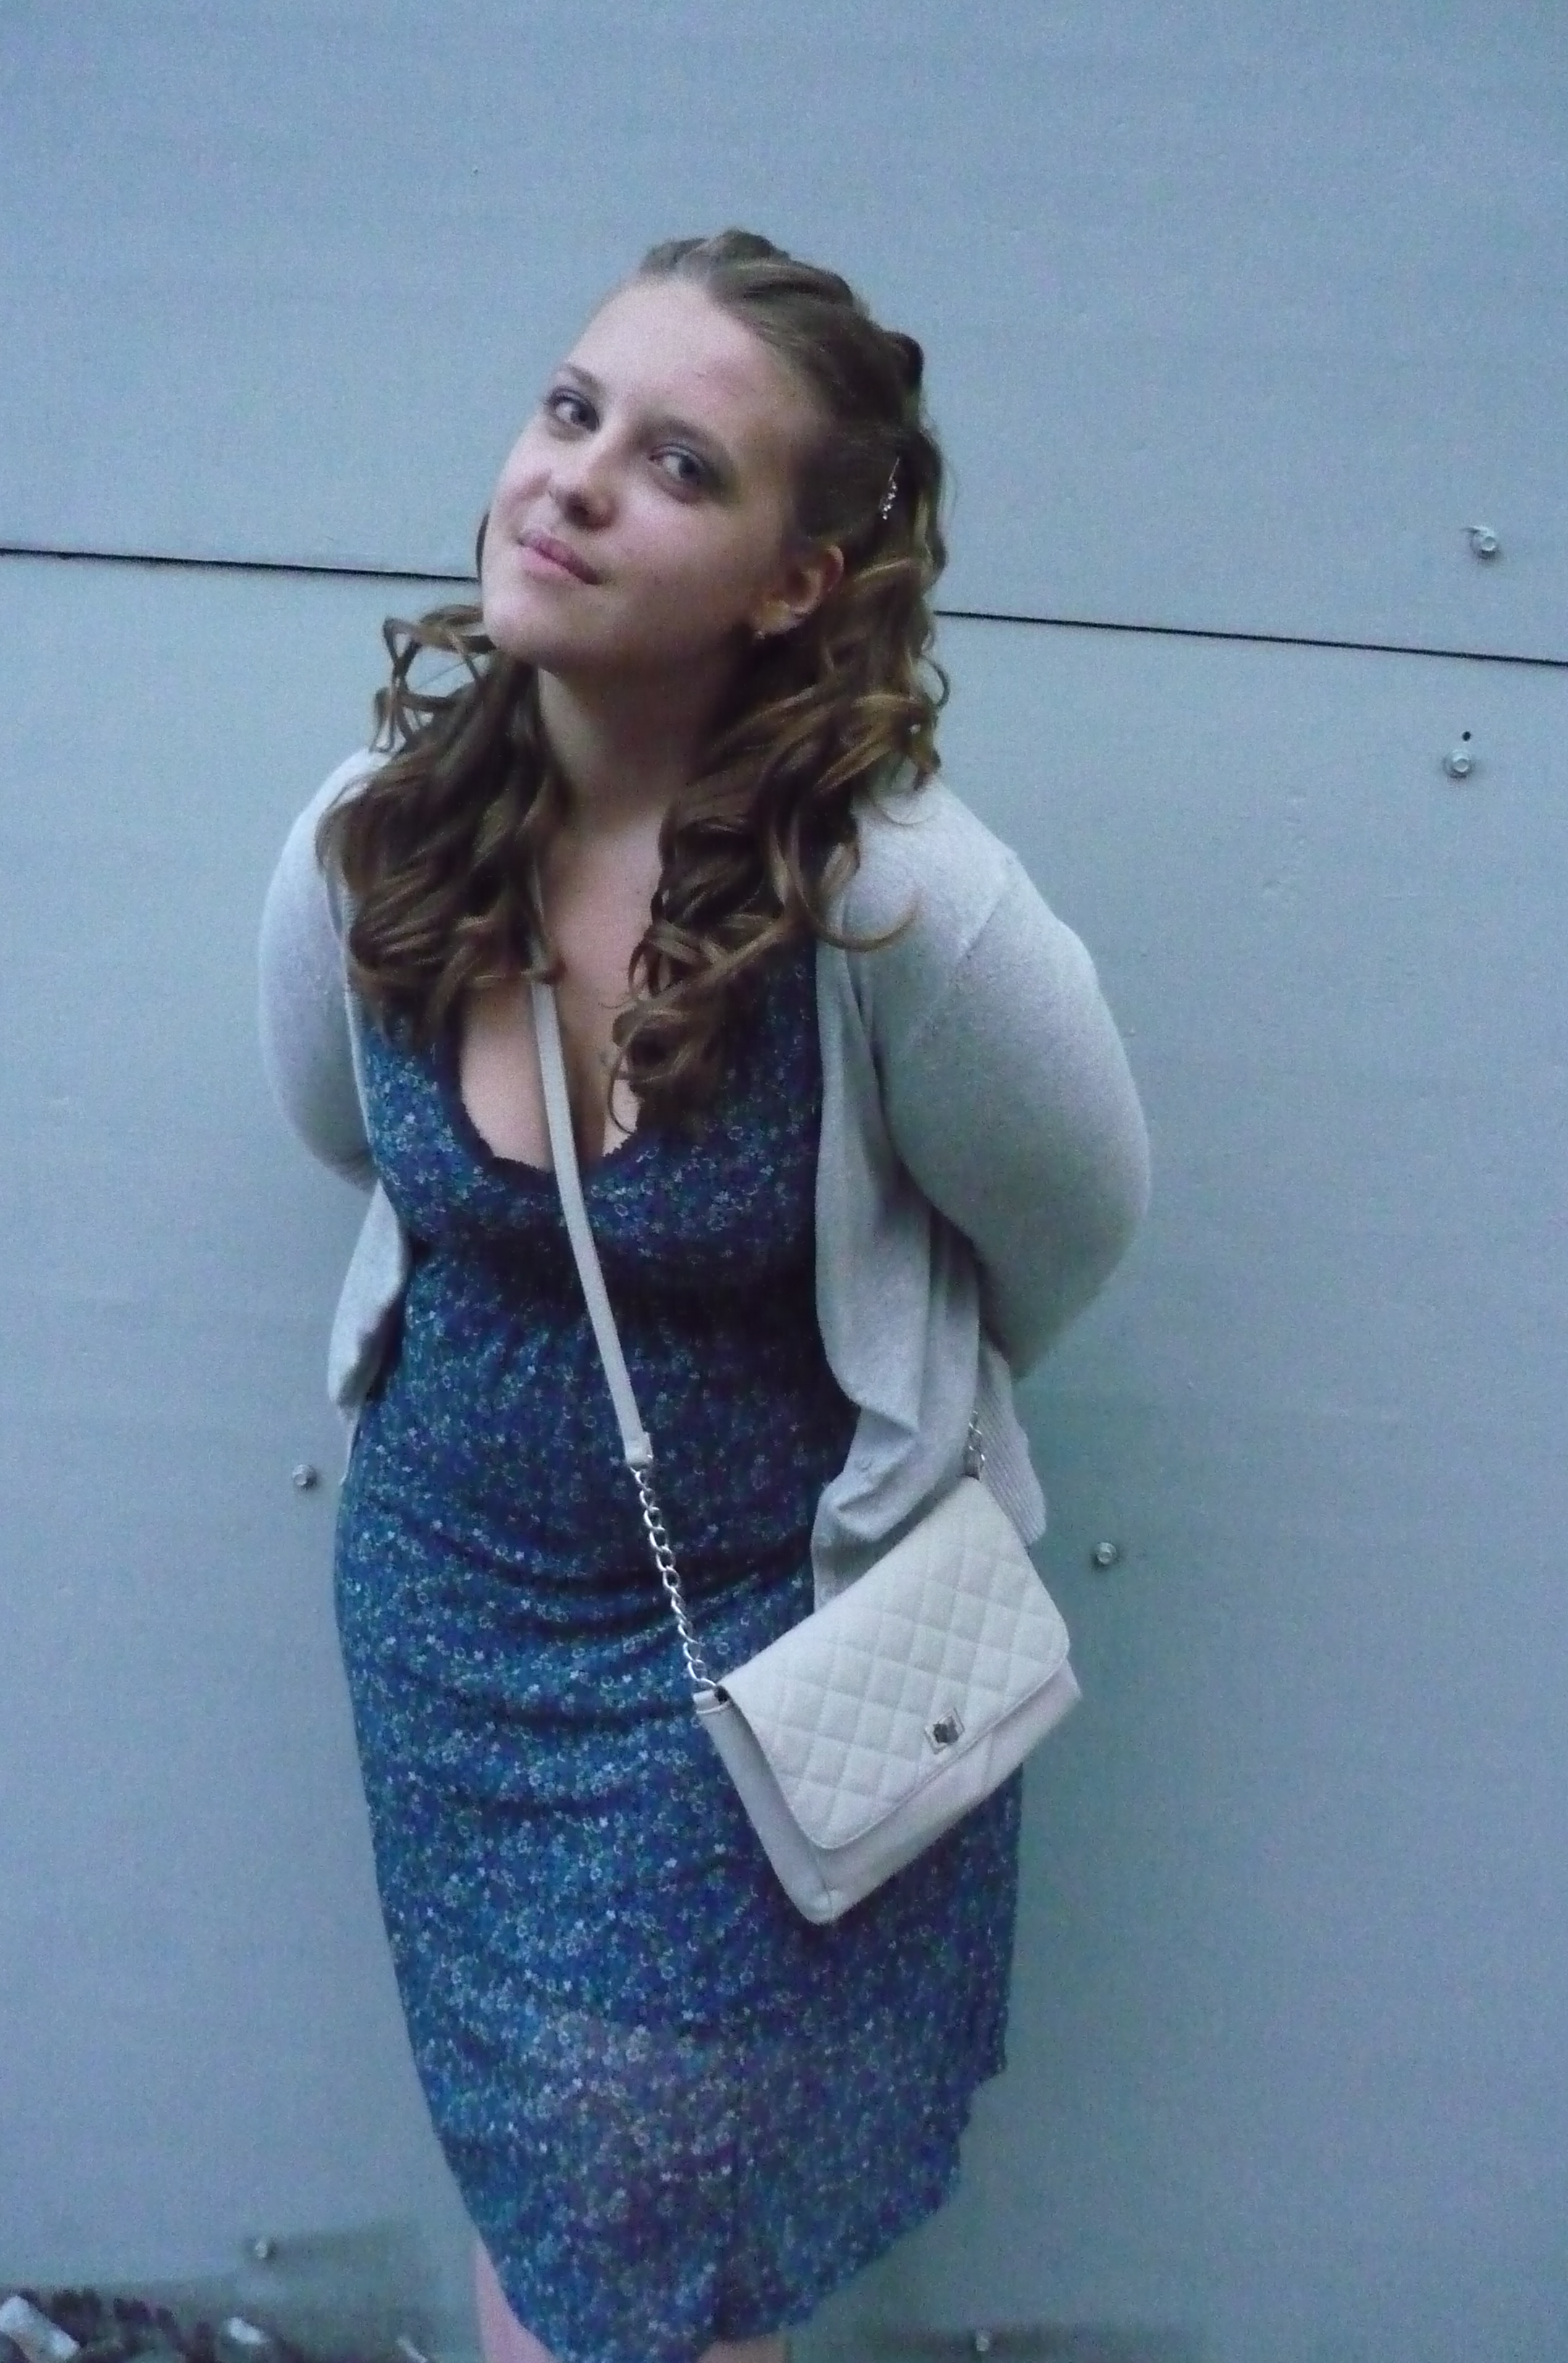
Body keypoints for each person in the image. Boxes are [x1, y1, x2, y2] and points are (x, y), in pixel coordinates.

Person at [257, 229, 1150, 2363]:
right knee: (561, 2176)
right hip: (452, 1638)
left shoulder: (899, 907)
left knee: (653, 2200)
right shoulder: (372, 845)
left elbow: (1068, 1229)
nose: (572, 479)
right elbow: (347, 1135)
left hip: (773, 1647)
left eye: (677, 463)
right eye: (570, 412)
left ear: (792, 583)